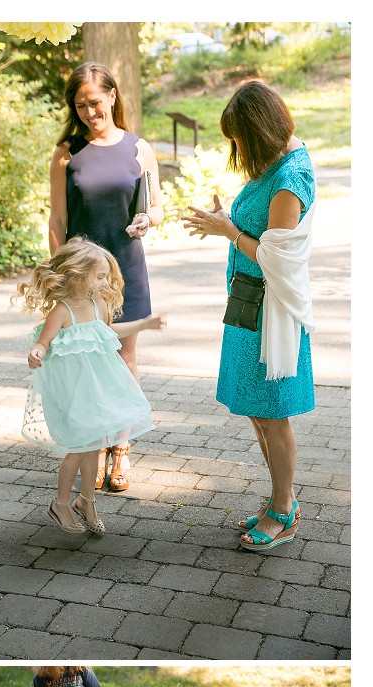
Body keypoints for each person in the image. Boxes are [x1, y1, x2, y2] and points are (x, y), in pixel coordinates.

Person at [182, 80, 315, 552]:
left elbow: (278, 260)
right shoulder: (271, 166)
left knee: (273, 414)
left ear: (257, 130)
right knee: (258, 412)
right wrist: (228, 221)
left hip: (270, 312)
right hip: (248, 304)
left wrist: (228, 230)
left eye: (238, 137)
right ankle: (282, 498)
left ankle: (283, 510)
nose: (235, 147)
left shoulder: (289, 180)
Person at [48, 62, 164, 493]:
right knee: (87, 365)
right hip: (81, 279)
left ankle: (121, 448)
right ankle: (94, 447)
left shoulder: (139, 148)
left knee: (123, 360)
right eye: (79, 105)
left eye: (94, 102)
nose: (88, 112)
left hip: (125, 270)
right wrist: (62, 277)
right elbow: (57, 220)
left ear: (113, 96)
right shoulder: (65, 154)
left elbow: (156, 207)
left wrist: (145, 222)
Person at [20, 237, 164, 533]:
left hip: (97, 390)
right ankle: (60, 504)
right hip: (74, 392)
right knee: (78, 448)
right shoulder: (61, 311)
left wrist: (144, 324)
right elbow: (42, 343)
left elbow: (109, 330)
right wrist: (37, 353)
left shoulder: (97, 304)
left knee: (94, 446)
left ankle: (87, 501)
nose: (103, 282)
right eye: (98, 276)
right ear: (76, 274)